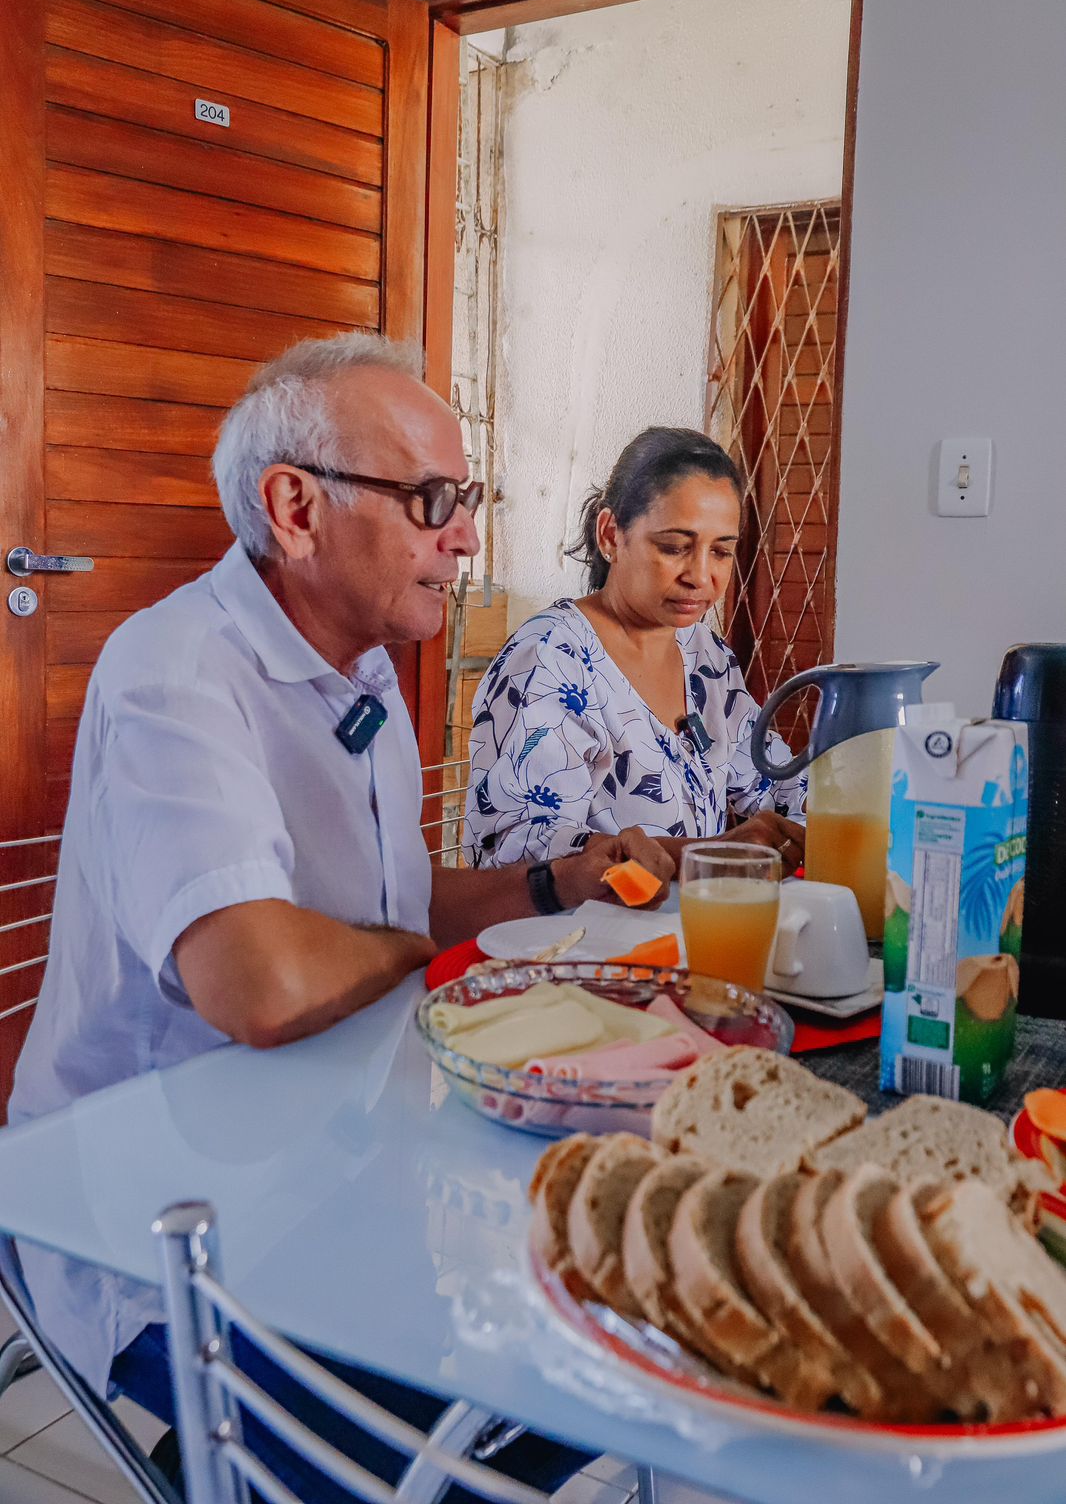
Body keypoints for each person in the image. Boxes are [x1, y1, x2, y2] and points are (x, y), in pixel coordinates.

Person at [9, 333, 672, 1497]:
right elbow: (261, 984)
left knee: (611, 1363)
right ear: (295, 506)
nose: (464, 537)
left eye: (463, 501)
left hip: (334, 1170)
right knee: (475, 1458)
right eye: (431, 500)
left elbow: (390, 911)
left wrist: (552, 882)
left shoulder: (362, 674)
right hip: (155, 1218)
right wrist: (423, 950)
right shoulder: (173, 672)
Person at [464, 426, 806, 876]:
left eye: (721, 552)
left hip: (679, 931)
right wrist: (715, 853)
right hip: (575, 937)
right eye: (674, 548)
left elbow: (773, 780)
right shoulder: (551, 659)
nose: (701, 576)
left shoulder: (706, 657)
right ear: (611, 535)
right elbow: (520, 846)